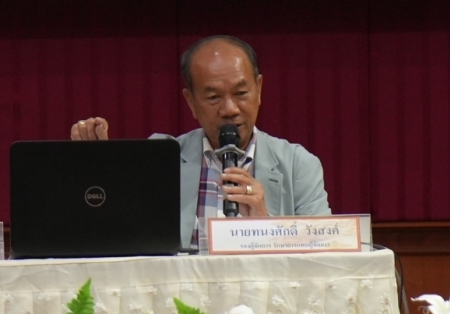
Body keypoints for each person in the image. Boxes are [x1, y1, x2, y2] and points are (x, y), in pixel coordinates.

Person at [71, 34, 329, 252]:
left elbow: (325, 253)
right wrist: (100, 166)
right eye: (214, 97)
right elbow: (121, 235)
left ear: (259, 89)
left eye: (241, 93)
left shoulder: (298, 165)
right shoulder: (161, 159)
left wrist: (266, 226)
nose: (230, 109)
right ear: (191, 102)